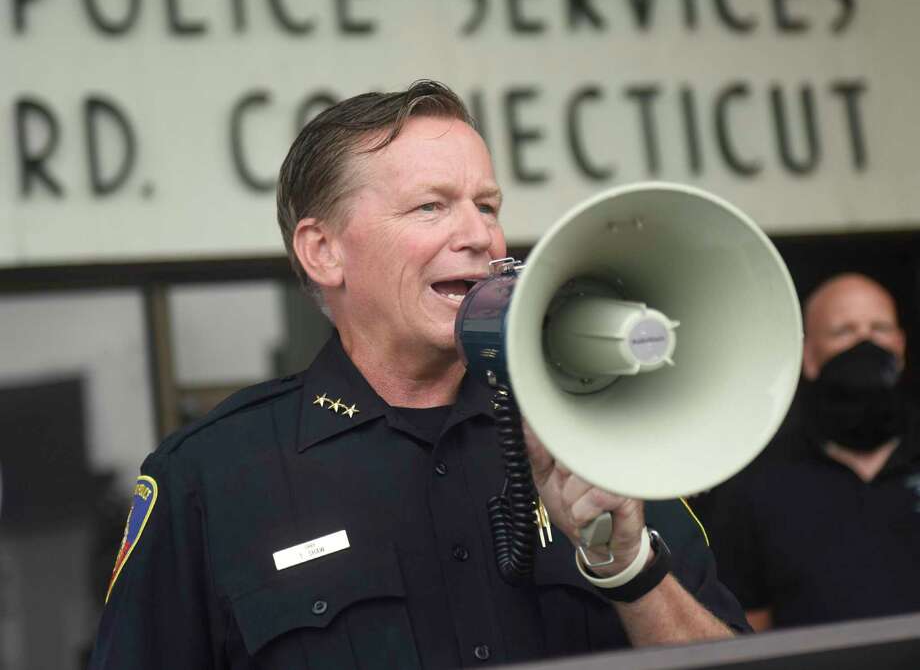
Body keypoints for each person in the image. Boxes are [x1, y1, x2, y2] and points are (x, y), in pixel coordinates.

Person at [89, 81, 747, 668]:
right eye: (431, 207)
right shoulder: (210, 479)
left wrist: (629, 569)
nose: (482, 237)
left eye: (487, 206)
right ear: (324, 252)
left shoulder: (589, 429)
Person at [706, 273, 920, 631]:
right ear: (809, 356)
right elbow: (746, 629)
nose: (865, 343)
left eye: (879, 328)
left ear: (900, 347)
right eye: (844, 332)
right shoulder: (757, 483)